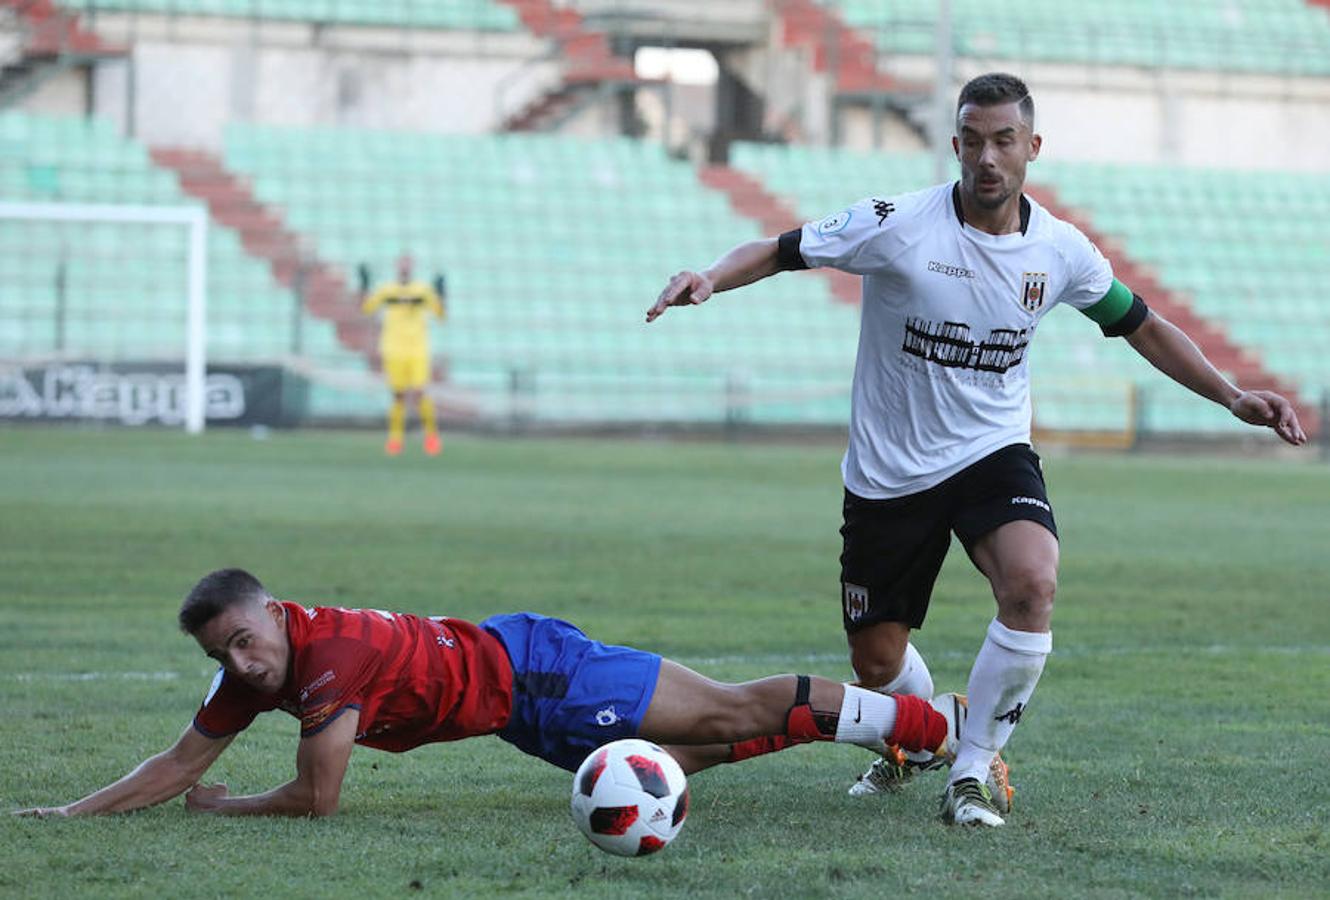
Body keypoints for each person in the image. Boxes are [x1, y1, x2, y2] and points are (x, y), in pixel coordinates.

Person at [645, 72, 1307, 827]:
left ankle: (971, 770)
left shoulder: (1060, 250)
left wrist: (1232, 396)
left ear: (1032, 147)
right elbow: (781, 248)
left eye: (1004, 140)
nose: (987, 156)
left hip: (991, 452)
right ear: (954, 143)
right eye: (972, 139)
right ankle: (912, 740)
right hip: (889, 471)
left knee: (1032, 581)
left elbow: (1142, 324)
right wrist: (709, 278)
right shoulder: (898, 223)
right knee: (876, 661)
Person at [15, 567, 974, 819]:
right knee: (697, 757)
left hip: (537, 669)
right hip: (515, 712)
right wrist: (73, 809)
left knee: (724, 709)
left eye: (247, 641)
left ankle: (938, 726)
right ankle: (880, 736)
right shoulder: (256, 663)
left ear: (274, 613)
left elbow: (318, 797)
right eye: (225, 656)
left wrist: (224, 810)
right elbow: (179, 760)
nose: (244, 667)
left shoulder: (330, 656)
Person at [360, 254, 446, 457]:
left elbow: (441, 314)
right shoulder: (387, 290)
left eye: (408, 264)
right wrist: (363, 286)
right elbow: (366, 308)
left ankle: (431, 437)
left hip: (417, 349)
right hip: (393, 349)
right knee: (397, 396)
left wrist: (442, 292)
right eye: (402, 264)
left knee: (419, 393)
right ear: (397, 267)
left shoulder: (423, 291)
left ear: (412, 267)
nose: (404, 268)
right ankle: (395, 439)